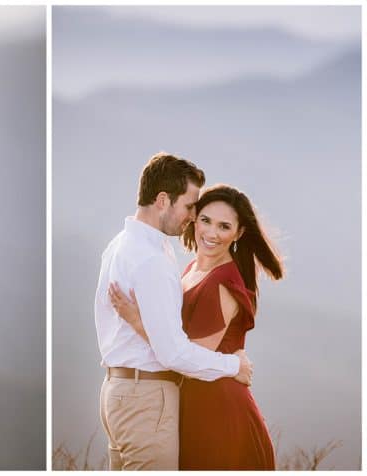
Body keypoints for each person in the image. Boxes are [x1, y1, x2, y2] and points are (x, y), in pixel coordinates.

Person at [93, 152, 253, 470]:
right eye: (190, 206)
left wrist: (139, 321)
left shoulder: (124, 244)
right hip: (146, 398)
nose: (193, 217)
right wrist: (233, 365)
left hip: (120, 392)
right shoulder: (149, 258)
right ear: (164, 200)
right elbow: (173, 353)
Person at [109, 184, 284, 470]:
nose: (211, 233)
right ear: (194, 219)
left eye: (224, 226)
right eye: (206, 220)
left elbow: (185, 356)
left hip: (218, 412)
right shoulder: (192, 269)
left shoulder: (223, 283)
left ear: (238, 234)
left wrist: (137, 321)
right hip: (189, 404)